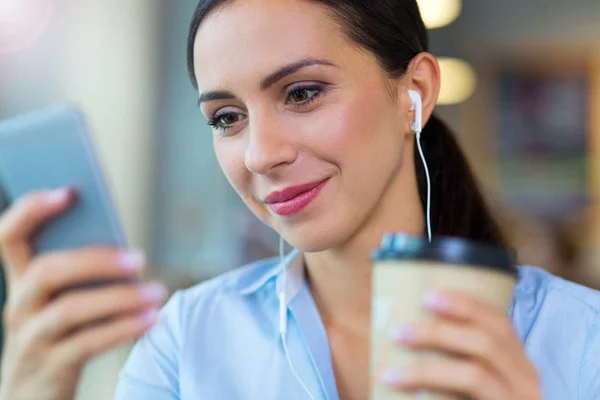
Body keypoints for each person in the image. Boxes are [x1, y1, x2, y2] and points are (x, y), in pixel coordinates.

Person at [0, 0, 598, 399]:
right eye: (227, 117)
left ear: (413, 92)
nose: (260, 154)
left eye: (303, 93)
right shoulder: (189, 340)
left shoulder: (580, 339)